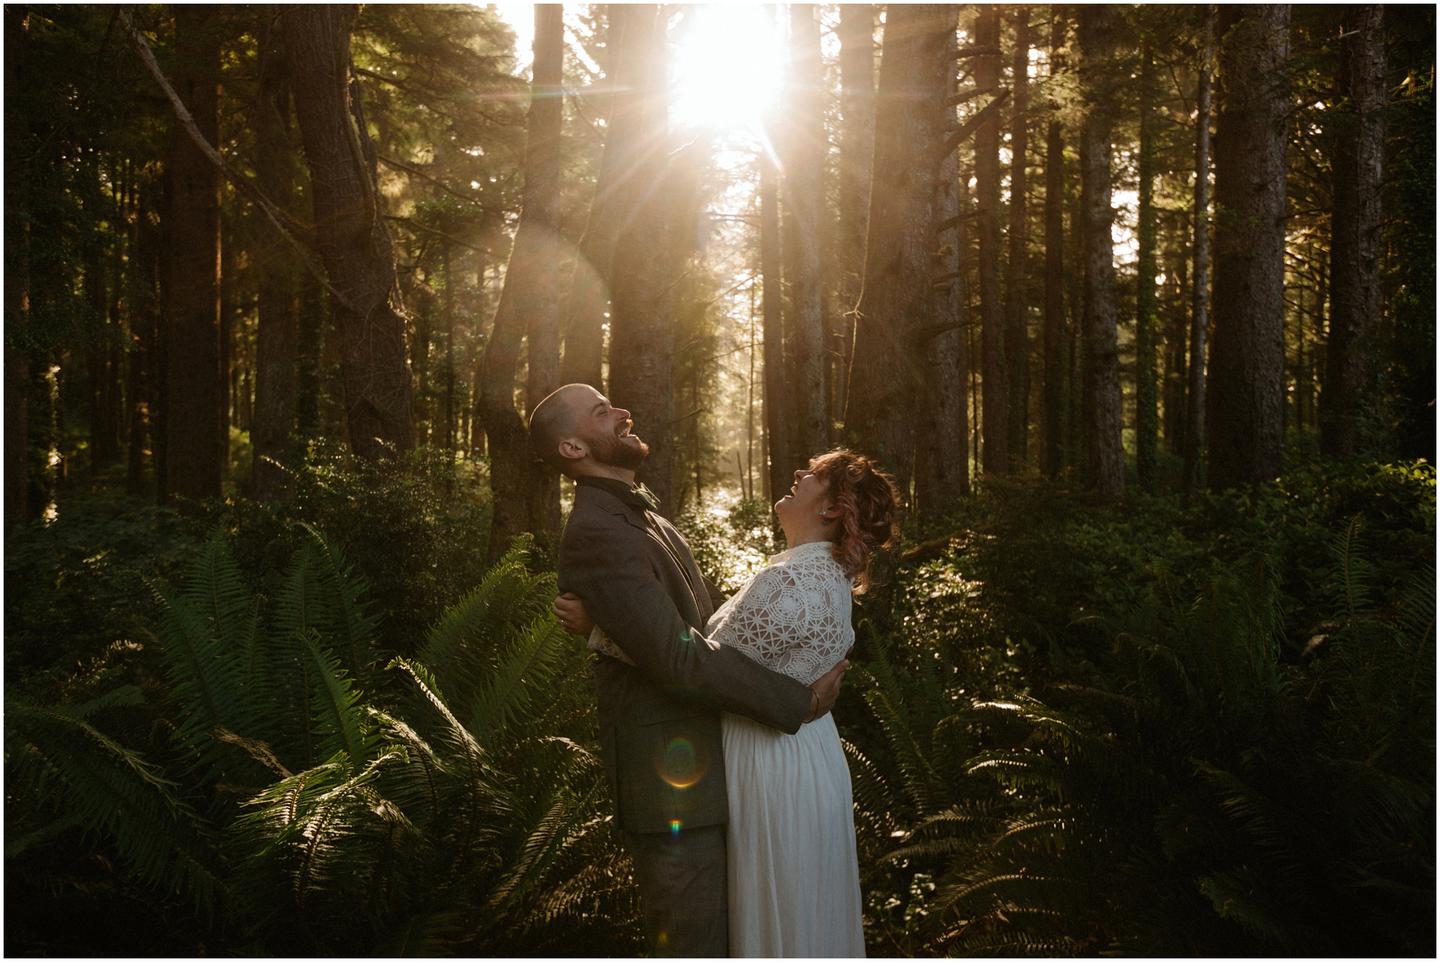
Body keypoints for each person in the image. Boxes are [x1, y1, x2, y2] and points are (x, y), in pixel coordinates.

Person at [527, 383, 849, 958]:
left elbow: (701, 632)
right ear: (573, 448)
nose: (624, 409)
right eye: (603, 411)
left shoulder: (644, 516)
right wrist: (796, 703)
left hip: (722, 767)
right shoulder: (599, 531)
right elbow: (677, 659)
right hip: (674, 789)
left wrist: (603, 633)